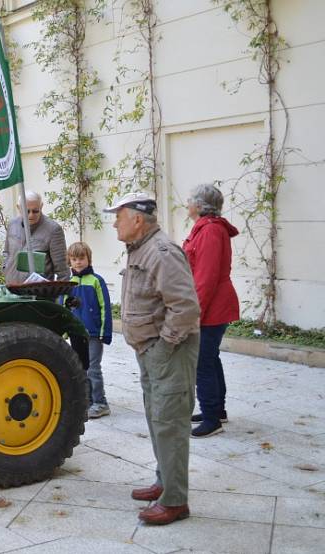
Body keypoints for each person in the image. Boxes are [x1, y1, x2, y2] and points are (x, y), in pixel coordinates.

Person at [104, 192, 200, 526]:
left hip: (168, 352)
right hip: (150, 351)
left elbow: (185, 307)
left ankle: (175, 501)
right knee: (158, 419)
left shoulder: (161, 252)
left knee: (170, 423)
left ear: (138, 219)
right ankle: (165, 482)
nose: (115, 222)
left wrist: (163, 347)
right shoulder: (140, 249)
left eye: (119, 216)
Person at [183, 183, 240, 438]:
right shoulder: (206, 229)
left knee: (202, 361)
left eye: (189, 200)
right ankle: (216, 410)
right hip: (215, 304)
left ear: (199, 205)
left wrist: (196, 313)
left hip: (212, 306)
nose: (187, 204)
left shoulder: (210, 232)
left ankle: (211, 417)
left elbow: (205, 278)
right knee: (210, 358)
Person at [65, 242, 113, 419]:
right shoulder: (68, 283)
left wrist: (104, 332)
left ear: (89, 259)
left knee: (93, 367)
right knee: (80, 367)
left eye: (81, 258)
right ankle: (87, 400)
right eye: (74, 259)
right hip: (76, 333)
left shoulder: (96, 281)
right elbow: (65, 308)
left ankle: (101, 402)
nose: (78, 262)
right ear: (69, 261)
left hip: (93, 333)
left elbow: (104, 307)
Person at [3, 190, 70, 284]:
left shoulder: (53, 230)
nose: (31, 215)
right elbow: (7, 252)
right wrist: (6, 267)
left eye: (35, 211)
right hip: (12, 288)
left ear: (41, 206)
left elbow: (62, 270)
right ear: (19, 208)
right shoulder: (12, 225)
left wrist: (60, 294)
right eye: (27, 211)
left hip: (38, 293)